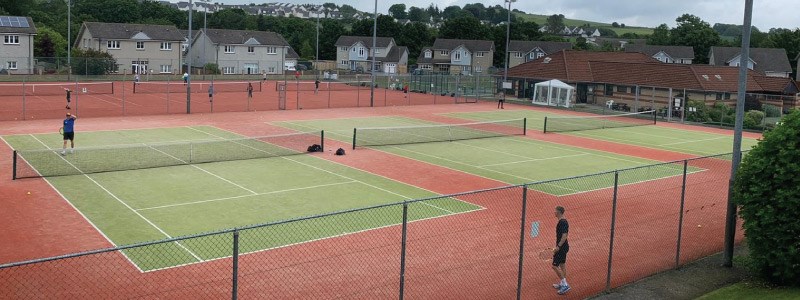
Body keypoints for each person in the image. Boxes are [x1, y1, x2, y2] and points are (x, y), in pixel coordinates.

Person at [552, 206, 570, 295]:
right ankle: (562, 283)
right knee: (562, 265)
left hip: (561, 247)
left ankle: (565, 285)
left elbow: (564, 235)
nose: (554, 212)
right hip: (563, 246)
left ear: (559, 212)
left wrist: (558, 246)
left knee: (554, 266)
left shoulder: (562, 222)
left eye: (555, 211)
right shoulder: (562, 221)